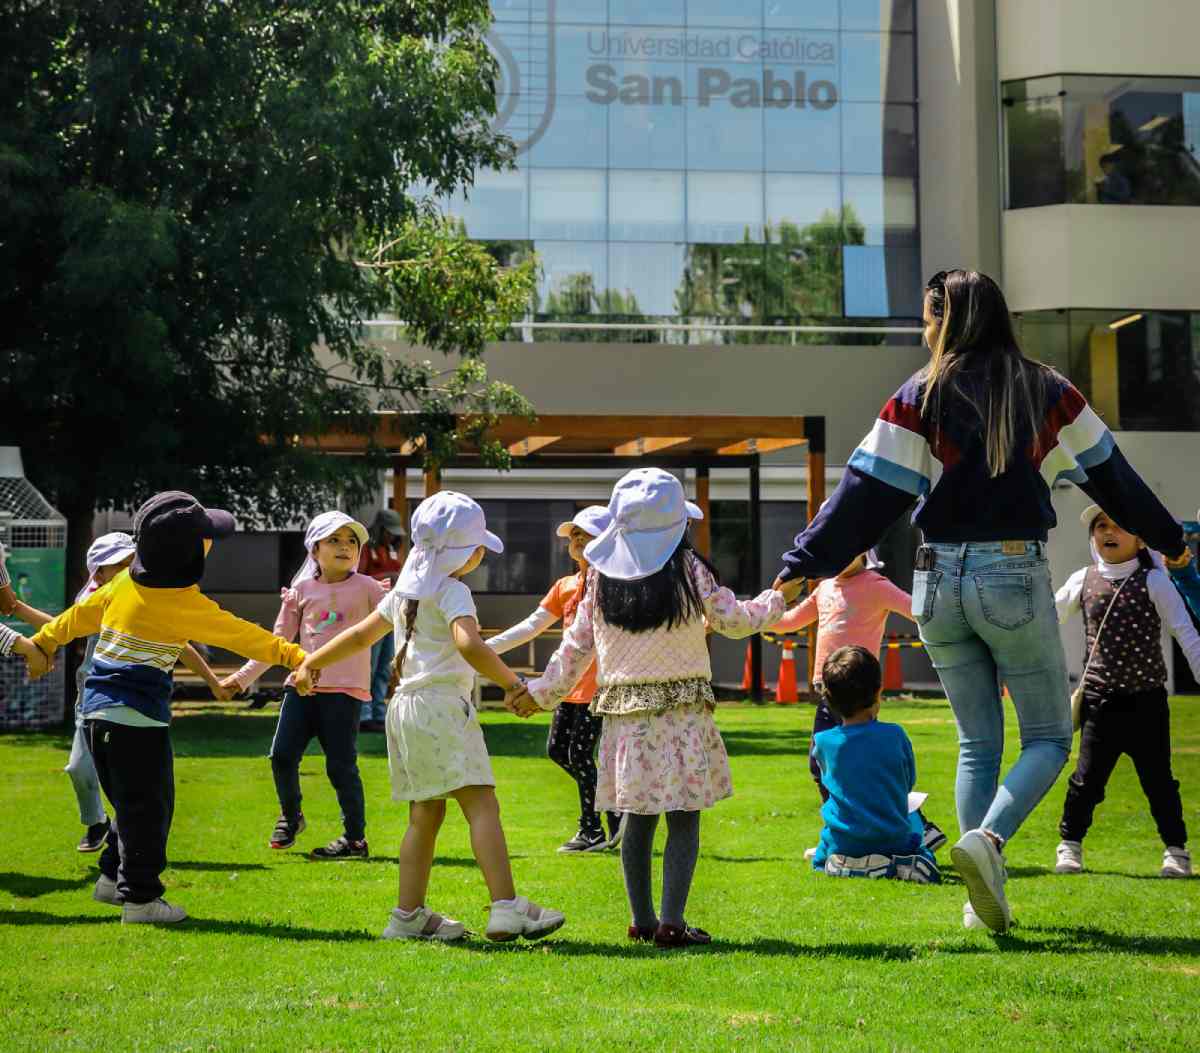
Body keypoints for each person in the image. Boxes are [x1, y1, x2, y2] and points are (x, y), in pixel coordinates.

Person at [771, 269, 1194, 934]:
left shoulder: (919, 394)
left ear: (950, 318)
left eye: (928, 318)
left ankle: (979, 899)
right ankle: (988, 842)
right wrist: (1168, 539)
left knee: (977, 742)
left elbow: (862, 494)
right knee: (1052, 736)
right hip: (1011, 573)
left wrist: (801, 563)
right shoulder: (1049, 390)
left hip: (935, 580)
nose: (924, 330)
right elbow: (1115, 478)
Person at [516, 468, 785, 948]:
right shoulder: (689, 569)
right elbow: (735, 620)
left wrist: (538, 693)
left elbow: (575, 649)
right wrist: (777, 600)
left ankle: (641, 921)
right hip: (682, 713)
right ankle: (673, 922)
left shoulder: (598, 578)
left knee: (637, 818)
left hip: (625, 719)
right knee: (684, 816)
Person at [23, 491, 308, 924]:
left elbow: (75, 618)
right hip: (136, 720)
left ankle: (110, 878)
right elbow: (245, 636)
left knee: (132, 804)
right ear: (191, 554)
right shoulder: (184, 604)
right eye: (207, 539)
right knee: (149, 809)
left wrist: (43, 643)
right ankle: (140, 900)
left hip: (98, 716)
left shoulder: (121, 585)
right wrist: (296, 657)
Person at [293, 491, 564, 943]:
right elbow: (469, 644)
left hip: (405, 710)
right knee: (481, 804)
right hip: (441, 706)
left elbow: (360, 636)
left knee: (424, 815)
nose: (480, 554)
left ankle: (408, 915)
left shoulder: (401, 593)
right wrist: (515, 686)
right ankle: (506, 907)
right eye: (478, 546)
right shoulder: (452, 590)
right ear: (465, 552)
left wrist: (311, 660)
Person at [3, 535, 230, 853]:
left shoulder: (141, 599)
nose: (129, 569)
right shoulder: (98, 600)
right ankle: (102, 826)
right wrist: (17, 611)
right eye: (119, 565)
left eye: (130, 562)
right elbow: (60, 627)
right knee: (80, 769)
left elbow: (182, 644)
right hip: (91, 699)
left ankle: (123, 843)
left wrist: (213, 682)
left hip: (130, 703)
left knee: (130, 786)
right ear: (98, 573)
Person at [223, 512, 384, 859]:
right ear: (314, 549)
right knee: (281, 756)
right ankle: (291, 816)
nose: (345, 547)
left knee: (341, 766)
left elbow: (399, 624)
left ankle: (355, 840)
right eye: (334, 540)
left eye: (351, 541)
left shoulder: (369, 589)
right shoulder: (300, 592)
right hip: (300, 690)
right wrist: (240, 679)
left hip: (345, 692)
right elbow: (276, 643)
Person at [771, 543, 944, 856]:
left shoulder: (877, 586)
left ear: (864, 549)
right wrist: (764, 609)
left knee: (869, 767)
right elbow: (790, 621)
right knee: (819, 764)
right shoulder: (824, 588)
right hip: (829, 692)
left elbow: (917, 610)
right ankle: (840, 829)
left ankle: (918, 826)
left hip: (861, 692)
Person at [1053, 505, 1197, 878]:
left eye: (1119, 525)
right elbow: (1047, 619)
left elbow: (1184, 630)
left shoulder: (1156, 581)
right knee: (1086, 780)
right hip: (1099, 704)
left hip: (1148, 703)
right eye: (1101, 526)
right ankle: (1070, 846)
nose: (1108, 532)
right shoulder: (1081, 579)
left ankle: (1176, 852)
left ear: (1140, 539)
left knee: (1159, 782)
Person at [488, 504, 623, 853]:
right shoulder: (564, 585)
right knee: (557, 750)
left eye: (585, 532)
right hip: (567, 686)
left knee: (579, 756)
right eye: (573, 534)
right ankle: (616, 811)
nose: (577, 538)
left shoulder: (616, 585)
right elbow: (532, 625)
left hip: (600, 687)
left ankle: (592, 829)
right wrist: (486, 649)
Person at [809, 646, 939, 884]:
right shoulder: (895, 735)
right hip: (893, 838)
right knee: (918, 842)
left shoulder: (823, 743)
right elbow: (908, 781)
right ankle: (910, 861)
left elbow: (830, 784)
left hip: (843, 839)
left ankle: (840, 863)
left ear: (828, 698)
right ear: (878, 691)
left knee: (821, 856)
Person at [357, 508, 407, 732]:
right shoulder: (365, 550)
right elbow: (357, 579)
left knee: (384, 667)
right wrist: (386, 578)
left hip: (393, 614)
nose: (392, 537)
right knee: (369, 665)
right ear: (379, 529)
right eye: (388, 532)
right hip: (372, 614)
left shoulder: (392, 551)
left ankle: (378, 711)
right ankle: (364, 714)